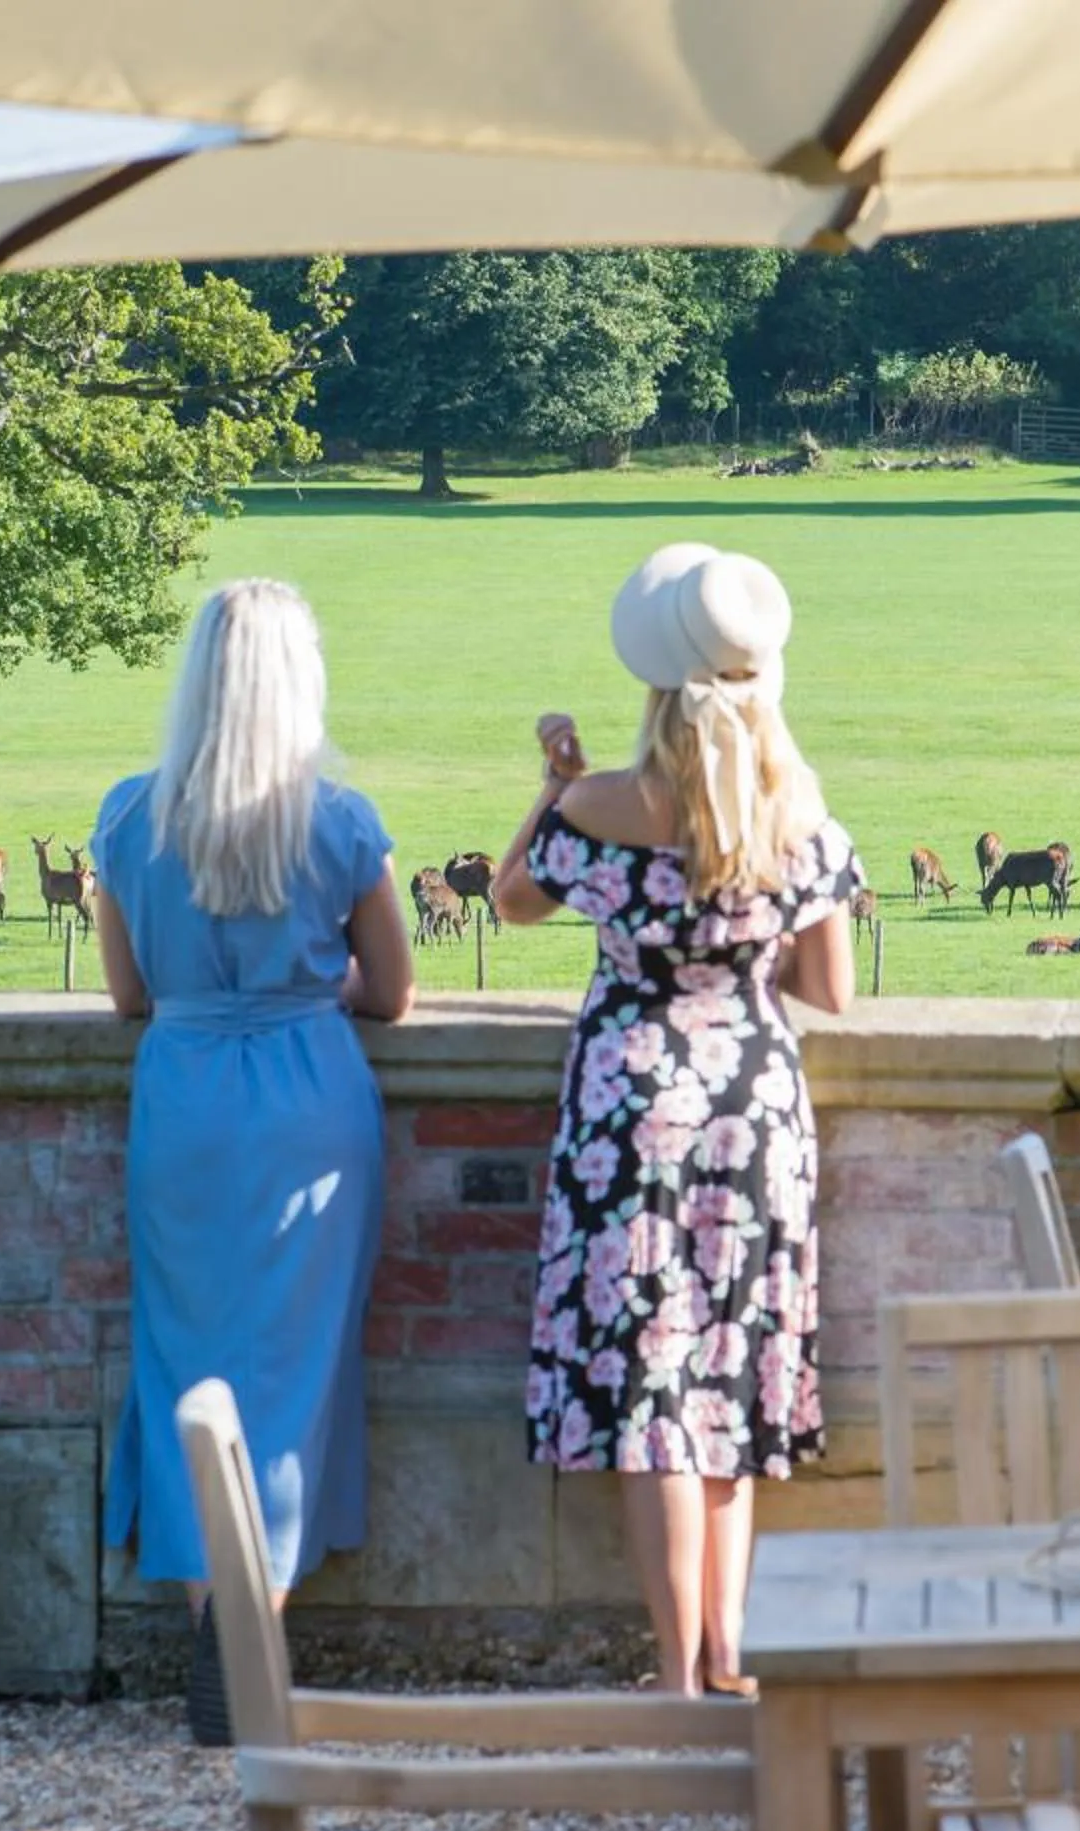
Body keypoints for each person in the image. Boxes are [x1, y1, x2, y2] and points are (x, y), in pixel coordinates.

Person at [492, 543, 861, 1698]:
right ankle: (731, 1654)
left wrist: (556, 777)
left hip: (627, 1107)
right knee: (731, 1377)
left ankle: (672, 1670)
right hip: (753, 1106)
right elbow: (830, 990)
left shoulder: (603, 808)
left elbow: (510, 903)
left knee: (652, 1384)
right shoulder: (798, 813)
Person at [92, 578, 415, 1746]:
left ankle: (220, 1631)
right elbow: (392, 991)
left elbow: (128, 993)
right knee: (290, 1375)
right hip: (306, 1106)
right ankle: (255, 1633)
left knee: (187, 1369)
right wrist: (307, 982)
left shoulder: (130, 820)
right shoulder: (338, 822)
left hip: (181, 1103)